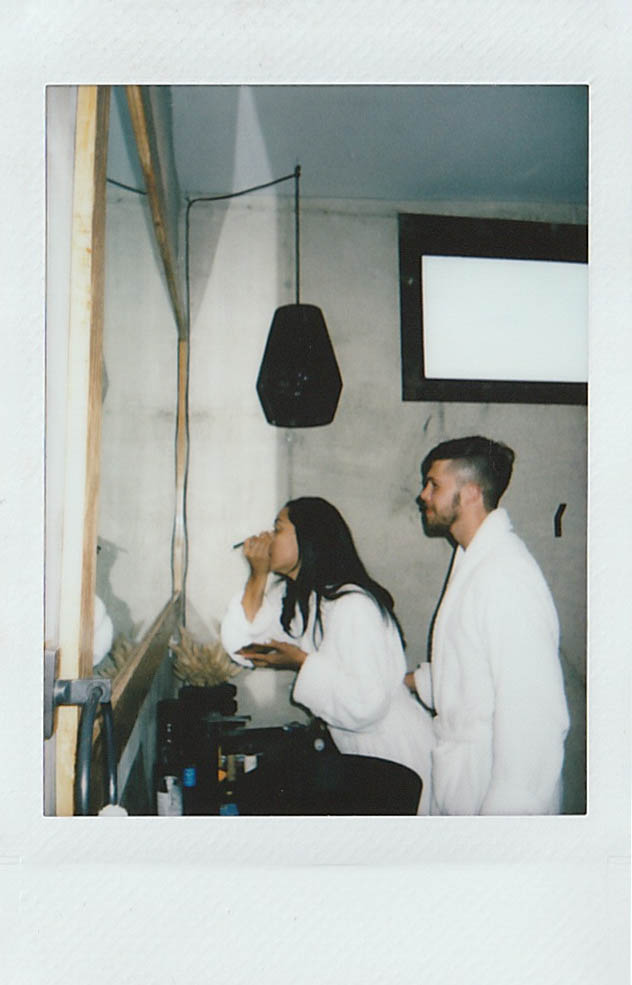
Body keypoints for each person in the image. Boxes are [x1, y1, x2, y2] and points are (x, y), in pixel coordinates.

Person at [221, 496, 435, 814]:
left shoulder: (353, 605)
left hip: (396, 755)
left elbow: (366, 704)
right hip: (365, 755)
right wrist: (258, 576)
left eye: (278, 529)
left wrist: (302, 662)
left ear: (308, 538)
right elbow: (245, 644)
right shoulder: (308, 600)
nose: (268, 537)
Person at [405, 435, 569, 815]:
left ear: (472, 493)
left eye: (434, 485)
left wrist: (507, 817)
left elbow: (533, 712)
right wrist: (407, 682)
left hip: (493, 780)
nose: (423, 495)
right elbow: (468, 665)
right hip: (463, 773)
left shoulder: (506, 575)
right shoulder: (473, 559)